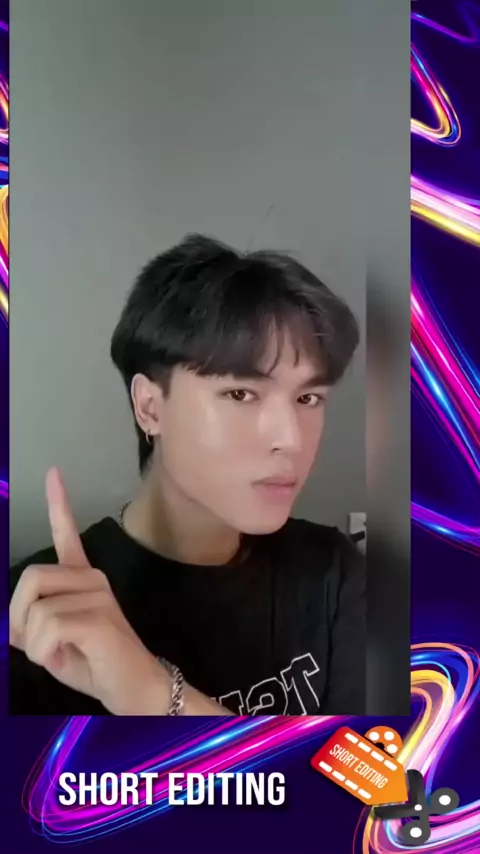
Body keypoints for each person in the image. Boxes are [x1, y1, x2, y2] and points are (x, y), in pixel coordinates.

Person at [9, 233, 365, 716]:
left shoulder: (333, 572)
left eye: (308, 398)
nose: (292, 439)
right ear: (150, 407)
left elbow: (370, 766)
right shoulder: (37, 611)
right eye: (241, 394)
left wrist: (151, 694)